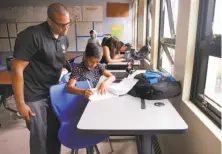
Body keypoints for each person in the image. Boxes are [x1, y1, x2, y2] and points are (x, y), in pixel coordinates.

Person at [11, 3, 71, 154]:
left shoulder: (64, 38)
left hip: (53, 92)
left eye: (68, 24)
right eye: (62, 25)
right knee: (39, 136)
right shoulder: (32, 36)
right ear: (50, 21)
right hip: (34, 95)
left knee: (55, 132)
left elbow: (57, 59)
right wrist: (20, 104)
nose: (66, 29)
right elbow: (16, 69)